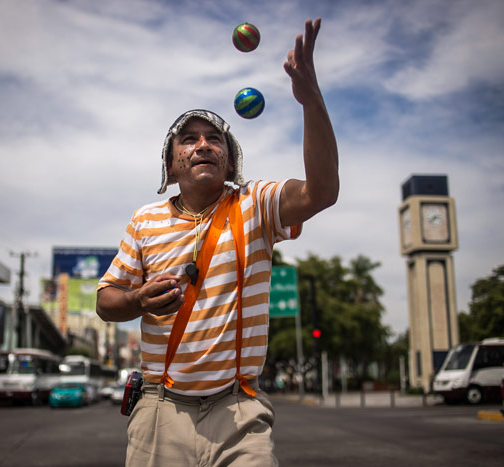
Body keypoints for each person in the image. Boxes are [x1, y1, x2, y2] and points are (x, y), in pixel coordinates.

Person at [96, 18, 338, 466]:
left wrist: (310, 101)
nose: (203, 145)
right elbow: (106, 302)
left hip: (239, 410)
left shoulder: (255, 204)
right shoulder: (145, 220)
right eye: (189, 140)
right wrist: (138, 299)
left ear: (228, 163)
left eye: (214, 140)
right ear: (170, 167)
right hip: (159, 410)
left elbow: (321, 192)